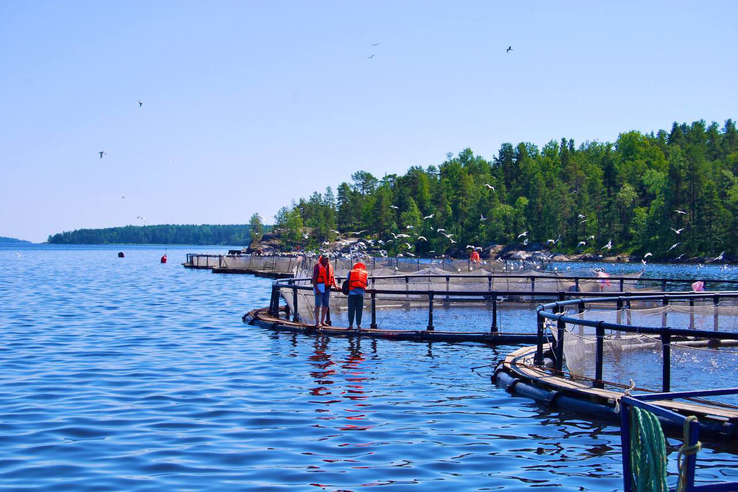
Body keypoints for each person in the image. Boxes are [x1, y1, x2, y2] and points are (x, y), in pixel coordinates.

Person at [312, 256, 337, 327]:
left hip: (327, 287)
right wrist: (316, 289)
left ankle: (322, 321)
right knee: (318, 304)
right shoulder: (317, 266)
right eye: (325, 258)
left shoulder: (330, 267)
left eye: (328, 258)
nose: (326, 260)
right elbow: (314, 279)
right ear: (321, 259)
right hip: (319, 287)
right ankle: (317, 322)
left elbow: (332, 276)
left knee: (325, 305)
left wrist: (335, 285)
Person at [346, 261, 368, 330]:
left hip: (352, 293)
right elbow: (367, 283)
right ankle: (359, 325)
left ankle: (350, 325)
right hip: (361, 294)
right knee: (359, 310)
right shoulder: (364, 273)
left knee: (351, 310)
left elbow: (347, 281)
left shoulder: (350, 272)